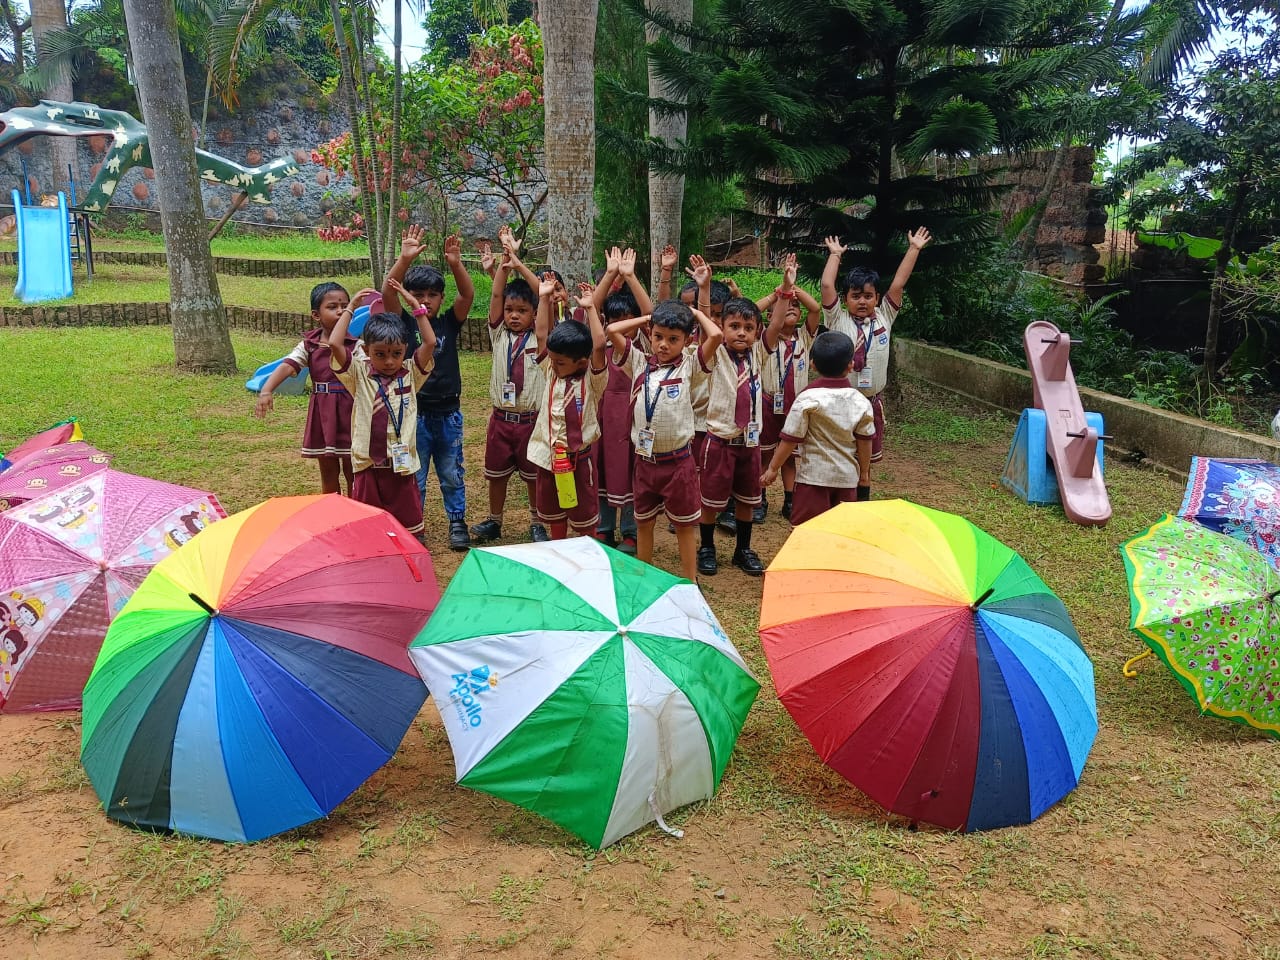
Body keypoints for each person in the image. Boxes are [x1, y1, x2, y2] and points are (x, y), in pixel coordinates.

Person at [608, 300, 721, 581]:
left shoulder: (690, 367)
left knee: (684, 525)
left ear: (687, 339)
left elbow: (716, 336)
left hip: (678, 462)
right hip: (645, 462)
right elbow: (612, 330)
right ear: (649, 333)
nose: (663, 345)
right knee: (644, 521)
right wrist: (649, 317)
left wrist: (693, 313)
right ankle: (645, 576)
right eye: (658, 336)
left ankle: (690, 580)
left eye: (673, 339)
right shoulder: (638, 363)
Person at [382, 226, 475, 551]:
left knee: (452, 472)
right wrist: (403, 260)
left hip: (448, 413)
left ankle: (457, 521)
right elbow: (387, 295)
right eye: (418, 295)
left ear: (440, 297)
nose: (424, 301)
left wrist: (455, 264)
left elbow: (467, 296)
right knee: (414, 475)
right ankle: (413, 525)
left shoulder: (449, 322)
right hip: (414, 414)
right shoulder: (404, 324)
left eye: (431, 295)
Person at [819, 227, 931, 463]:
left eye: (868, 296)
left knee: (866, 458)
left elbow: (898, 285)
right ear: (845, 299)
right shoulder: (836, 319)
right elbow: (827, 286)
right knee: (840, 455)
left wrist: (913, 249)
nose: (862, 301)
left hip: (871, 402)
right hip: (842, 401)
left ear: (877, 298)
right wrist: (835, 255)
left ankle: (864, 487)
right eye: (855, 296)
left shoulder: (885, 316)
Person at [329, 295, 436, 536]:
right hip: (368, 465)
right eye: (380, 354)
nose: (389, 361)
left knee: (409, 529)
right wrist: (350, 309)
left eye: (396, 353)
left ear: (405, 351)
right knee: (369, 528)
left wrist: (415, 308)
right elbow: (335, 344)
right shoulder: (358, 373)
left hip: (402, 466)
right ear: (366, 351)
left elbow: (429, 342)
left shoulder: (410, 372)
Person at [254, 281, 364, 495]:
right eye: (332, 307)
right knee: (328, 471)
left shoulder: (356, 346)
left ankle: (356, 514)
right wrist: (267, 390)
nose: (340, 311)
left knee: (355, 471)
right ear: (316, 315)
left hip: (352, 413)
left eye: (345, 306)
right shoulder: (309, 345)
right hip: (323, 414)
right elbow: (288, 365)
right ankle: (332, 515)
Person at [469, 254, 549, 545]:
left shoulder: (541, 339)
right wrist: (502, 267)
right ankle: (495, 520)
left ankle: (537, 521)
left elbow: (542, 294)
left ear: (535, 313)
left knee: (533, 476)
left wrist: (517, 263)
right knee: (496, 475)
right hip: (501, 420)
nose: (514, 316)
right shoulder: (498, 334)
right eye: (510, 310)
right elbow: (496, 293)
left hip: (531, 421)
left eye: (522, 310)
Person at [761, 330, 876, 524]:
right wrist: (864, 474)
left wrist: (773, 468)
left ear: (812, 363)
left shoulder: (806, 399)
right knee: (842, 532)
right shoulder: (861, 402)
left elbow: (789, 439)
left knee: (806, 533)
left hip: (813, 479)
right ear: (851, 365)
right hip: (847, 480)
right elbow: (865, 442)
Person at [526, 274, 609, 540]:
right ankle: (558, 551)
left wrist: (590, 308)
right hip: (550, 457)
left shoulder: (592, 379)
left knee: (584, 518)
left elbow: (598, 344)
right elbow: (541, 334)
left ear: (581, 362)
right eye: (553, 360)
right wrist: (542, 297)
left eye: (561, 362)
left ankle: (589, 558)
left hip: (578, 458)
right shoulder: (551, 370)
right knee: (555, 515)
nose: (554, 365)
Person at [697, 296, 772, 576]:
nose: (741, 332)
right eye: (735, 326)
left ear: (757, 332)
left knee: (747, 499)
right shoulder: (715, 353)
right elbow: (709, 330)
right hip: (720, 441)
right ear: (722, 327)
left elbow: (773, 327)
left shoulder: (760, 354)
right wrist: (704, 288)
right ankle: (706, 547)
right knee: (710, 499)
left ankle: (743, 549)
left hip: (749, 443)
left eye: (748, 328)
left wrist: (786, 290)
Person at [592, 246, 654, 554]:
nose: (622, 324)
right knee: (603, 468)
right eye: (616, 319)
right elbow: (592, 306)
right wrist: (611, 275)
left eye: (628, 319)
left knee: (632, 470)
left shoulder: (642, 346)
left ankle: (630, 530)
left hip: (633, 417)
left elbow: (652, 315)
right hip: (604, 418)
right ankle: (604, 527)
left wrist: (630, 277)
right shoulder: (599, 343)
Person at [758, 254, 821, 520]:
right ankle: (758, 498)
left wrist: (793, 288)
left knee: (790, 454)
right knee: (763, 452)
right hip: (767, 402)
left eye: (796, 306)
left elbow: (816, 309)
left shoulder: (804, 337)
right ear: (771, 317)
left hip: (796, 406)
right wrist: (779, 294)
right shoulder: (764, 338)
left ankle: (789, 498)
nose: (793, 307)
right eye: (787, 306)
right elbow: (750, 309)